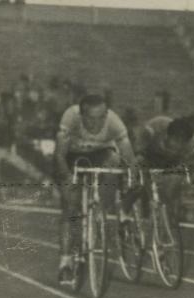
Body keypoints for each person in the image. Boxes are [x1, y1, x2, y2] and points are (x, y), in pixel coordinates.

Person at [54, 94, 137, 284]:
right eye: (90, 118)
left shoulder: (115, 122)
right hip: (71, 157)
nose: (95, 123)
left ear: (106, 115)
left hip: (100, 155)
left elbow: (129, 156)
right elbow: (59, 155)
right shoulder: (70, 117)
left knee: (114, 161)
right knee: (70, 209)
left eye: (100, 118)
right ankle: (65, 262)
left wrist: (133, 175)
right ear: (81, 115)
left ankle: (100, 212)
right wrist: (68, 179)